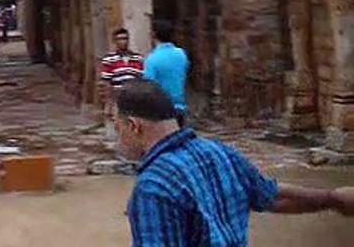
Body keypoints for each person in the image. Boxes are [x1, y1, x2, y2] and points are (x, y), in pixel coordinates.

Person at [115, 79, 354, 245]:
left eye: (118, 128)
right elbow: (271, 195)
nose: (120, 139)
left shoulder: (154, 187)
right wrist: (332, 199)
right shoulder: (220, 153)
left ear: (134, 125)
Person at [99, 27, 145, 142]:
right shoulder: (109, 60)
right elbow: (106, 81)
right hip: (117, 96)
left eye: (125, 39)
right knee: (119, 124)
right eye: (119, 39)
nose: (123, 42)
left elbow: (141, 78)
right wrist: (108, 102)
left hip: (134, 96)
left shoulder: (137, 58)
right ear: (114, 41)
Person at [143, 19, 190, 126]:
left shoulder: (152, 59)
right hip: (179, 106)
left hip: (160, 109)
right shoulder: (181, 54)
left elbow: (148, 86)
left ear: (153, 35)